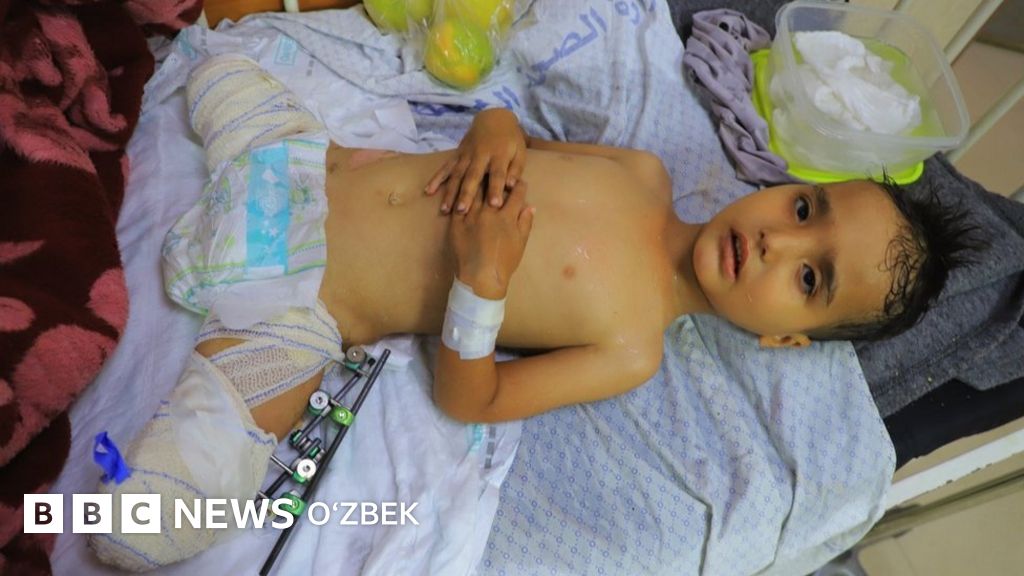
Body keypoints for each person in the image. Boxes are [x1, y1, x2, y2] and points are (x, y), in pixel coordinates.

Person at [90, 55, 982, 571]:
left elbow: (469, 398)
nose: (778, 242)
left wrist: (482, 282)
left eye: (811, 279)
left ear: (785, 338)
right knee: (215, 66)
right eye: (804, 208)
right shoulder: (641, 174)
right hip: (299, 164)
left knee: (145, 531)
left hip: (298, 304)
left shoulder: (632, 346)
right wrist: (493, 128)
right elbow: (516, 141)